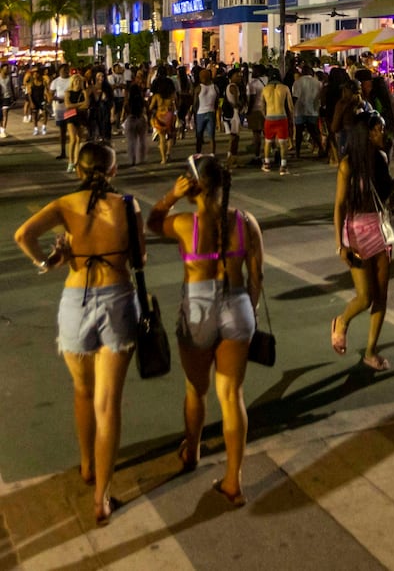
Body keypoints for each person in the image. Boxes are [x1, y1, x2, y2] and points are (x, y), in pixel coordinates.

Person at [14, 143, 143, 526]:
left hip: (76, 299)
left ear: (78, 169)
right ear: (113, 169)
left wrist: (49, 260)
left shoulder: (65, 204)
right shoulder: (127, 205)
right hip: (118, 298)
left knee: (82, 391)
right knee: (108, 403)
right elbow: (141, 260)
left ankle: (87, 465)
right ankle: (101, 497)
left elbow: (23, 234)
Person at [146, 154, 264, 508]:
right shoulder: (245, 222)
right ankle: (233, 481)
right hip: (238, 303)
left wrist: (170, 196)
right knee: (232, 396)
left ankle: (193, 450)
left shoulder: (185, 224)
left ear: (194, 185)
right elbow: (257, 276)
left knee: (196, 390)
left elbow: (152, 223)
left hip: (198, 309)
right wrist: (249, 311)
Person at [332, 112, 394, 371]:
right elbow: (340, 206)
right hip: (355, 232)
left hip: (380, 230)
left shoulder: (380, 158)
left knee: (381, 295)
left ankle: (370, 351)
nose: (383, 134)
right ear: (366, 133)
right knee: (365, 297)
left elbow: (382, 194)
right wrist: (340, 245)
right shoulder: (347, 165)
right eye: (378, 130)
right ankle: (342, 321)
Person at [261, 69, 294, 175]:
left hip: (269, 117)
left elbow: (262, 106)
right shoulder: (285, 88)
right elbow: (290, 106)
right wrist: (291, 118)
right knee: (283, 143)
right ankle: (283, 166)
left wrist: (265, 116)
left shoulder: (265, 89)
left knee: (268, 142)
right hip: (282, 116)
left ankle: (266, 164)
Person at [148, 67, 178, 164]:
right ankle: (169, 152)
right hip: (170, 114)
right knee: (170, 135)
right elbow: (175, 99)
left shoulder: (157, 96)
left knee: (161, 138)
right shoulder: (170, 85)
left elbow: (151, 107)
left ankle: (163, 158)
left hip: (160, 115)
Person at [293, 64, 323, 159]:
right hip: (313, 110)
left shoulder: (297, 82)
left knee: (299, 132)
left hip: (300, 110)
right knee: (314, 132)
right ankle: (321, 148)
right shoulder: (318, 83)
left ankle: (297, 152)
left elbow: (295, 97)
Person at [64, 74, 91, 173]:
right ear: (72, 82)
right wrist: (80, 104)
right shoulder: (68, 92)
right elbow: (68, 105)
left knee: (80, 139)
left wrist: (77, 105)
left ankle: (76, 161)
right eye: (75, 81)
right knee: (73, 138)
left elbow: (87, 104)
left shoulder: (83, 92)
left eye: (79, 81)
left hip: (81, 116)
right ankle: (70, 162)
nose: (77, 83)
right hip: (71, 116)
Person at [121, 71, 149, 167]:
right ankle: (141, 157)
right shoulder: (141, 99)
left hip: (131, 118)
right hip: (140, 117)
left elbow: (125, 108)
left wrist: (122, 117)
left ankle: (132, 158)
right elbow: (146, 107)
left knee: (131, 140)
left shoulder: (128, 100)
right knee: (142, 139)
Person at [193, 68, 219, 156]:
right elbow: (217, 101)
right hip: (211, 112)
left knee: (199, 136)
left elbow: (195, 103)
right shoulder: (214, 87)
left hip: (200, 113)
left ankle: (198, 153)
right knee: (212, 136)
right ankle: (212, 154)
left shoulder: (199, 88)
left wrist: (194, 112)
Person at [0, 64, 15, 137]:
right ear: (1, 69)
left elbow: (11, 86)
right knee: (0, 115)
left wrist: (13, 96)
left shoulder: (9, 77)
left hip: (7, 97)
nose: (7, 70)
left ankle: (3, 130)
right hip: (0, 98)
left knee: (5, 113)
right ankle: (1, 128)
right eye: (5, 69)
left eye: (7, 69)